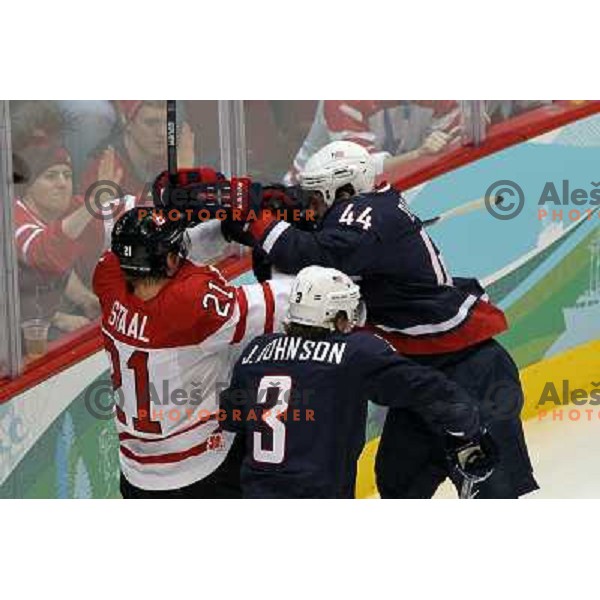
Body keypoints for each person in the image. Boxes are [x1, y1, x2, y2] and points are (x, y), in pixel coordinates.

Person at [222, 140, 538, 499]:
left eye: (316, 197)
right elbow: (299, 236)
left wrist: (254, 220)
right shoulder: (361, 208)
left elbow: (310, 254)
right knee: (397, 483)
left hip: (472, 370)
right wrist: (263, 200)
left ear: (343, 189)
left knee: (493, 491)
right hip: (420, 368)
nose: (311, 208)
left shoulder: (368, 213)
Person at [219, 265, 493, 499]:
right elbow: (431, 391)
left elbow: (231, 418)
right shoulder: (355, 353)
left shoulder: (257, 350)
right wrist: (469, 432)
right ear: (335, 316)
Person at [92, 205, 292, 499]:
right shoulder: (192, 303)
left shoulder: (107, 277)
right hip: (200, 470)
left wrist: (221, 231)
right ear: (171, 260)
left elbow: (159, 255)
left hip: (135, 474)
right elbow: (285, 301)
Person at [13, 141, 104, 338]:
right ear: (28, 186)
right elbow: (43, 252)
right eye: (51, 176)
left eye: (67, 175)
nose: (62, 183)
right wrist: (56, 318)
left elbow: (57, 268)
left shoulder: (54, 213)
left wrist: (85, 299)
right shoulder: (13, 219)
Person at [283, 101, 460, 185]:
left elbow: (453, 140)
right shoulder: (340, 100)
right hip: (316, 195)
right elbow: (365, 169)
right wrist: (419, 154)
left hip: (403, 183)